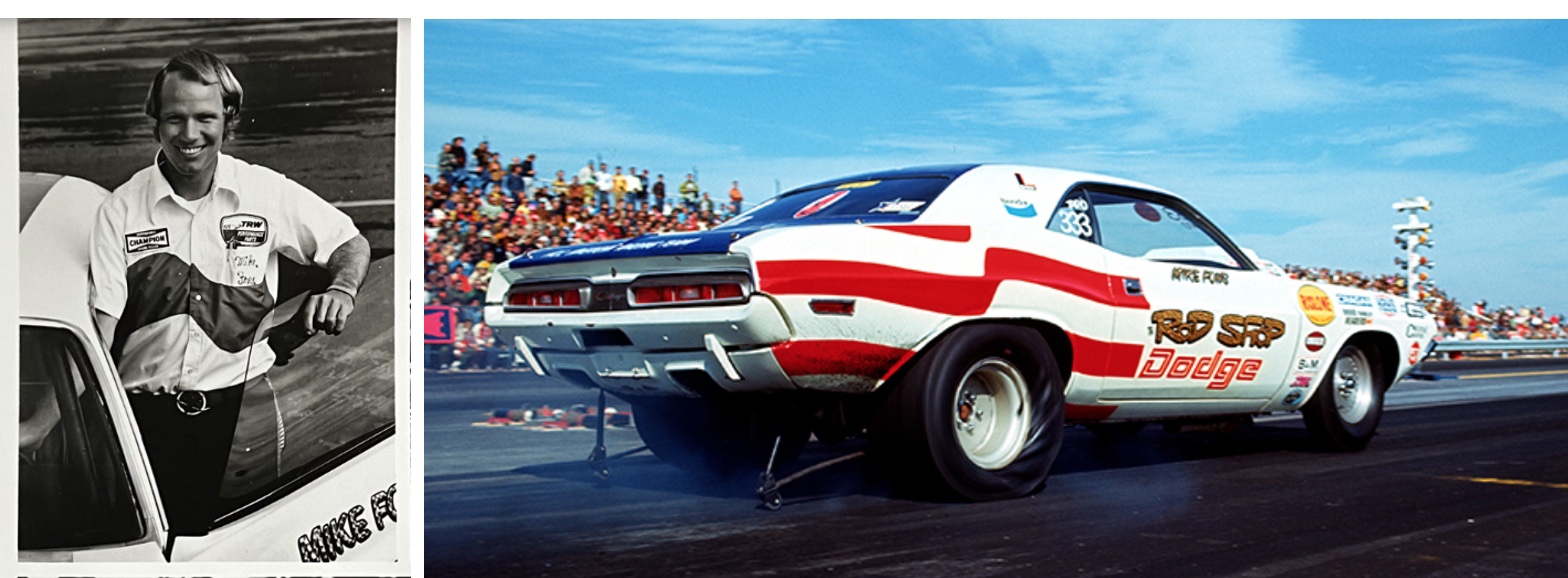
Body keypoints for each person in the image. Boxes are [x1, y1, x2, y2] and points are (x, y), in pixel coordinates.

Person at [88, 48, 371, 535]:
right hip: (145, 421)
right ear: (155, 120)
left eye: (205, 117)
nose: (190, 134)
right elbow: (101, 330)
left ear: (229, 119)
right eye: (175, 118)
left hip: (248, 414)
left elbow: (349, 243)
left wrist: (342, 289)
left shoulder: (266, 192)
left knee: (252, 546)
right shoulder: (120, 211)